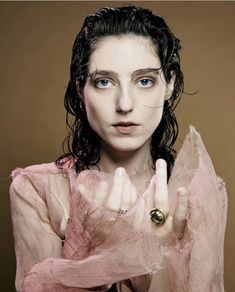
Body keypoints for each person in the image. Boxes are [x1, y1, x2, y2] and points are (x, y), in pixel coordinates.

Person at [10, 5, 227, 292]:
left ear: (169, 86)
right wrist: (108, 251)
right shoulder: (36, 190)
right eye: (103, 82)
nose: (125, 104)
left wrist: (162, 247)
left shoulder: (199, 195)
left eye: (145, 81)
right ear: (80, 89)